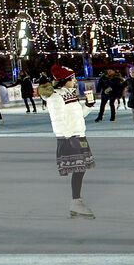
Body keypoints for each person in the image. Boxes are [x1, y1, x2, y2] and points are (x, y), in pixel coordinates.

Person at [37, 65, 96, 219]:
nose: (75, 80)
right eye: (73, 78)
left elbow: (78, 116)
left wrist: (88, 106)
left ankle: (76, 201)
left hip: (78, 134)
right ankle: (76, 201)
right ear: (65, 80)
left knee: (81, 169)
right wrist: (69, 138)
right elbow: (59, 120)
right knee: (79, 169)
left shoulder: (70, 93)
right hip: (69, 137)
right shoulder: (56, 97)